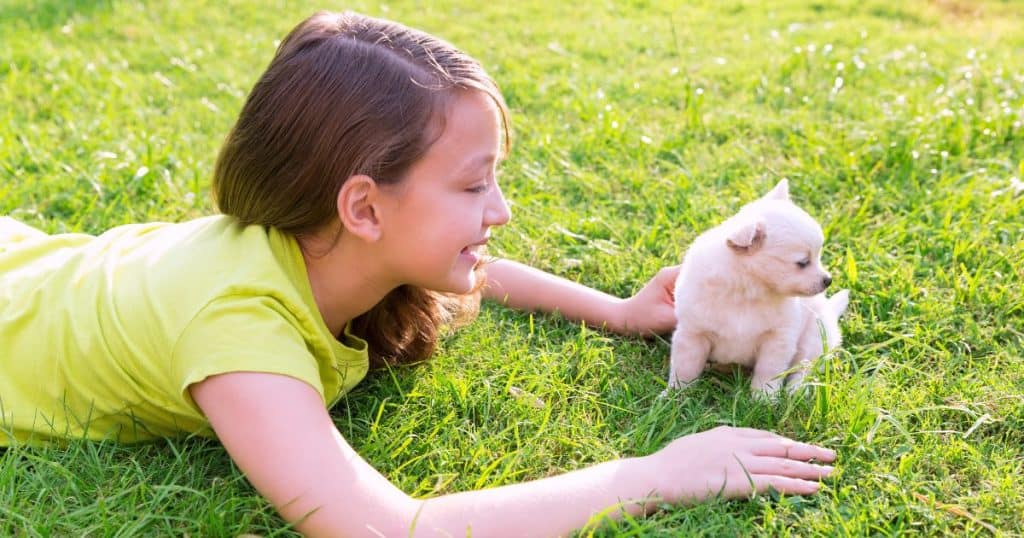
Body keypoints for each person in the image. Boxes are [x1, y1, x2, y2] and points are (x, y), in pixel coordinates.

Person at [0, 10, 836, 537]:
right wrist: (656, 474)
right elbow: (389, 528)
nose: (499, 209)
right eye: (474, 184)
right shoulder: (236, 330)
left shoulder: (323, 246)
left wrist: (617, 312)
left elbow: (479, 270)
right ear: (363, 208)